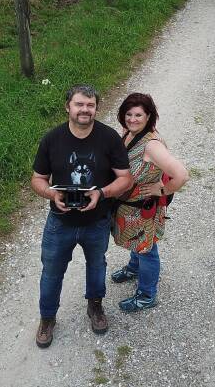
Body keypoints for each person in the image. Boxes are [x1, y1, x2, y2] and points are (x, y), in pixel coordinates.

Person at [30, 84, 133, 348]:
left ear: (96, 108)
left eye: (90, 105)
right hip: (59, 222)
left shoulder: (109, 138)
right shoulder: (52, 139)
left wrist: (102, 192)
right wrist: (52, 194)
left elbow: (126, 178)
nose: (85, 110)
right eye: (79, 104)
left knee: (97, 266)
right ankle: (47, 318)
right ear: (68, 107)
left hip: (97, 221)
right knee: (51, 272)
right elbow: (38, 179)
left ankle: (95, 306)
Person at [111, 92, 189, 312]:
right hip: (128, 208)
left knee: (147, 249)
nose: (132, 119)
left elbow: (182, 175)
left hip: (141, 208)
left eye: (138, 115)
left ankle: (147, 294)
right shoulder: (129, 132)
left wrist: (161, 189)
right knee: (137, 242)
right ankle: (134, 268)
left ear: (148, 116)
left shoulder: (151, 146)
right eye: (128, 114)